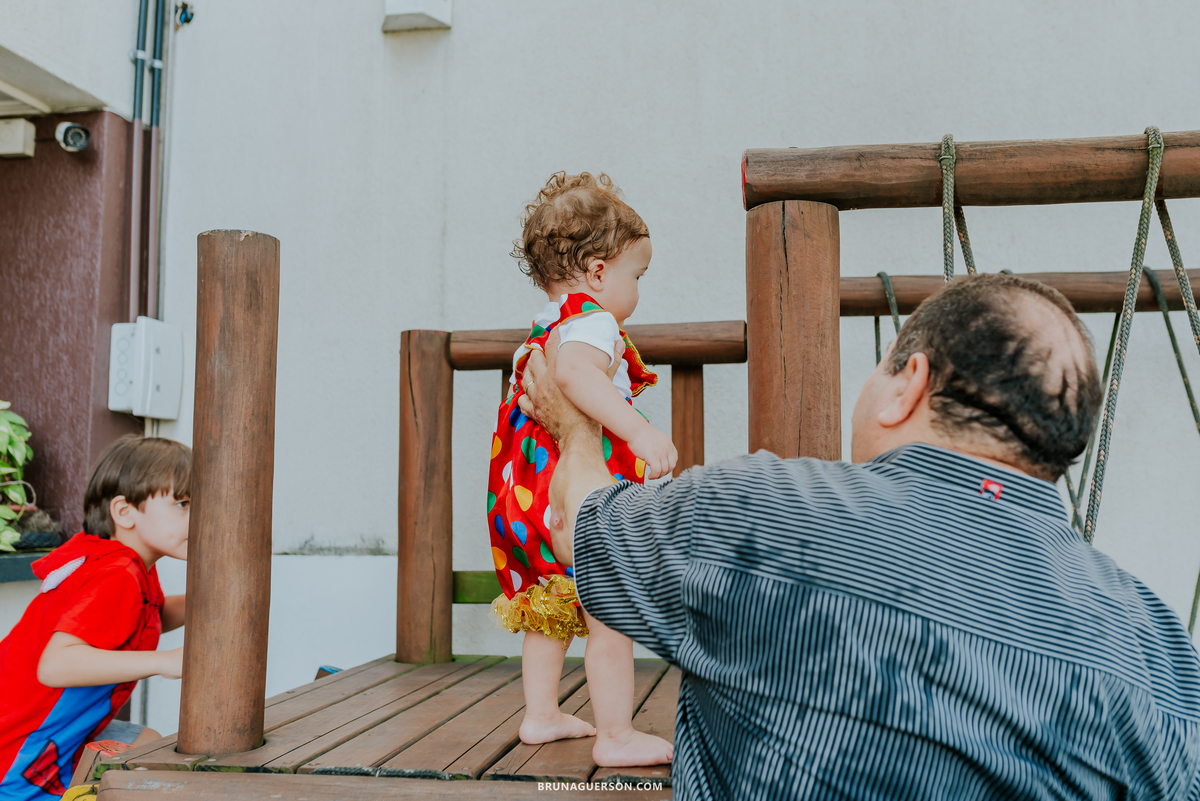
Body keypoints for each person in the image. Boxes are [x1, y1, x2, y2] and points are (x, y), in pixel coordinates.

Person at [521, 273, 1200, 800]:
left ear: (909, 385)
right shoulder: (1160, 646)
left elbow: (578, 525)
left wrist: (573, 428)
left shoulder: (763, 510)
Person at [486, 171, 677, 766]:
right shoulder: (592, 324)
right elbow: (575, 377)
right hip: (576, 489)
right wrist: (641, 432)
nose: (637, 289)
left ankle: (541, 715)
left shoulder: (544, 328)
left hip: (527, 496)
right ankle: (615, 734)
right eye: (636, 275)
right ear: (599, 271)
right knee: (606, 607)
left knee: (550, 598)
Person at [0, 436, 190, 800]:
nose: (196, 516)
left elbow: (146, 617)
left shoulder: (127, 565)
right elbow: (55, 666)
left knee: (149, 748)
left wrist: (211, 598)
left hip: (64, 725)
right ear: (124, 512)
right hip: (22, 739)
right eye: (181, 503)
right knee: (146, 772)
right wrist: (164, 662)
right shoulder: (117, 574)